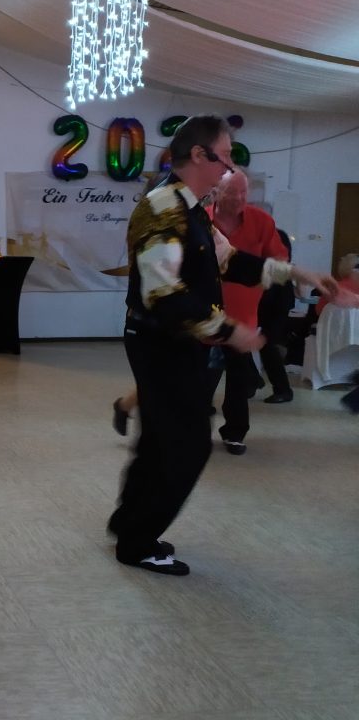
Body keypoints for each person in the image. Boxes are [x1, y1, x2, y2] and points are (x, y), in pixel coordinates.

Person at [108, 115, 335, 576]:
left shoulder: (189, 207)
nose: (230, 166)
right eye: (226, 156)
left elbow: (229, 261)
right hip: (162, 342)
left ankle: (129, 524)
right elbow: (163, 294)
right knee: (186, 445)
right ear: (200, 154)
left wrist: (296, 273)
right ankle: (137, 542)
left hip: (173, 341)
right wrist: (231, 331)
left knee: (160, 439)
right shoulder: (163, 207)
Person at [206, 169, 288, 455]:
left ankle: (234, 433)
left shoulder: (262, 221)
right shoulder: (201, 220)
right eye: (232, 192)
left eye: (244, 192)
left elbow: (279, 260)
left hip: (243, 320)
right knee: (199, 379)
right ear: (216, 193)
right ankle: (193, 430)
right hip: (205, 319)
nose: (239, 198)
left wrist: (265, 280)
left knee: (239, 381)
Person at [255, 228, 296, 404]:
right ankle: (253, 380)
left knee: (267, 346)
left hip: (274, 307)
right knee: (250, 344)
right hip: (271, 305)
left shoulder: (275, 241)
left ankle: (283, 389)